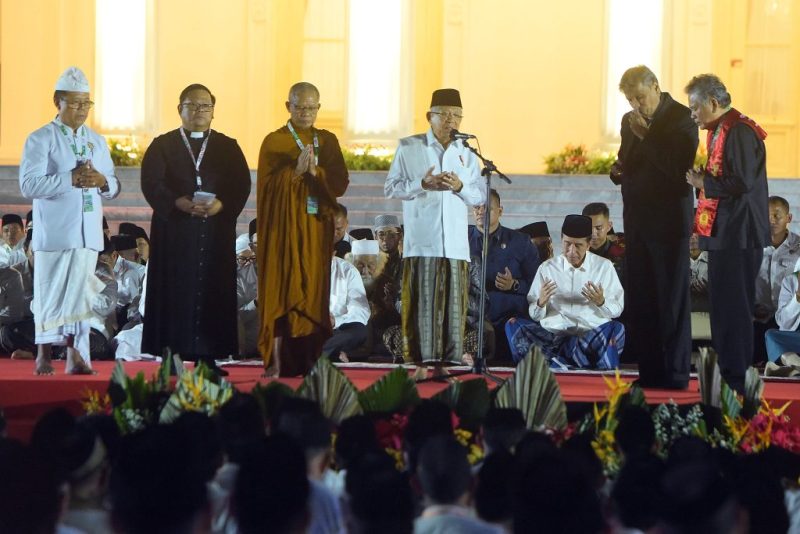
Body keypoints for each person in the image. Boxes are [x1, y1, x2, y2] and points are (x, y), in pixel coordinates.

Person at [141, 83, 251, 375]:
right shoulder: (162, 145)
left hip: (214, 232)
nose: (200, 111)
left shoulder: (227, 146)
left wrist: (222, 205)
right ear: (180, 109)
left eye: (206, 106)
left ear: (213, 111)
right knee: (172, 292)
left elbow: (240, 184)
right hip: (175, 232)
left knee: (212, 291)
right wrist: (176, 202)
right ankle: (170, 358)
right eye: (193, 105)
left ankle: (208, 358)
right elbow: (152, 182)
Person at [19, 66, 120, 375]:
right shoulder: (41, 139)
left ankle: (77, 356)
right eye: (75, 102)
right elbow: (29, 185)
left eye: (86, 103)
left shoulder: (96, 141)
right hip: (56, 232)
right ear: (57, 102)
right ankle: (44, 355)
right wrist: (70, 178)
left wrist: (102, 180)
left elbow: (114, 186)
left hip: (88, 232)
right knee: (50, 293)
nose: (81, 109)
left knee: (80, 295)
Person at [385, 88, 483, 375]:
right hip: (422, 243)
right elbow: (391, 187)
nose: (452, 121)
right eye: (446, 115)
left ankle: (443, 367)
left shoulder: (466, 151)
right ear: (430, 116)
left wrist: (460, 188)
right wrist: (422, 184)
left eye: (457, 116)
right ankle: (418, 365)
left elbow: (478, 196)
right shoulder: (410, 146)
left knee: (452, 312)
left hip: (454, 245)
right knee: (421, 309)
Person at [611, 65, 698, 389]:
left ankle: (675, 375)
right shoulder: (628, 121)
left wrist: (646, 136)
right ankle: (649, 373)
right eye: (631, 100)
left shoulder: (682, 118)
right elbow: (627, 161)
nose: (636, 106)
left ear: (656, 88)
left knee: (671, 300)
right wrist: (618, 170)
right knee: (643, 299)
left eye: (641, 98)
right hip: (637, 221)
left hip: (669, 224)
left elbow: (678, 171)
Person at [256, 82, 349, 377]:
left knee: (312, 291)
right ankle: (279, 361)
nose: (306, 113)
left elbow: (339, 183)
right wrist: (294, 172)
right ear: (288, 107)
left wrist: (315, 173)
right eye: (300, 107)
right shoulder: (274, 142)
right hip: (282, 232)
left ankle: (310, 360)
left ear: (318, 108)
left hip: (314, 230)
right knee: (284, 290)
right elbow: (266, 189)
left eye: (312, 108)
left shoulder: (328, 141)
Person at [685, 73, 769, 393]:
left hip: (740, 234)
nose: (692, 114)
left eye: (695, 107)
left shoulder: (741, 131)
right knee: (722, 308)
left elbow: (743, 182)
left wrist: (702, 182)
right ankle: (724, 373)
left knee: (734, 310)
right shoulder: (721, 129)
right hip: (725, 235)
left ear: (713, 102)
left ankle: (736, 380)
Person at [506, 215, 625, 369]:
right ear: (561, 239)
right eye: (567, 244)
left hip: (587, 337)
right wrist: (541, 303)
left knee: (616, 329)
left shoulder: (604, 267)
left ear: (588, 244)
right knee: (513, 325)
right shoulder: (547, 268)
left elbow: (617, 310)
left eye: (578, 245)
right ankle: (574, 362)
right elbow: (535, 315)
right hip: (553, 338)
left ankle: (555, 363)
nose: (571, 251)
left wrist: (601, 302)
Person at [469, 188, 540, 362]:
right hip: (471, 321)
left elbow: (538, 283)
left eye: (486, 208)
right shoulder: (462, 239)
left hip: (509, 320)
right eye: (476, 207)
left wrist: (514, 284)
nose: (480, 212)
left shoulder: (520, 241)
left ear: (500, 211)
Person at [753, 196, 800, 363]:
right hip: (758, 317)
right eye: (767, 216)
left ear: (789, 218)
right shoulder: (752, 247)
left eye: (777, 215)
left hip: (790, 317)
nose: (772, 220)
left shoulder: (798, 248)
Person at [323, 240, 370, 362]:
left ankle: (320, 352)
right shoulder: (300, 270)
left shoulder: (348, 271)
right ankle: (333, 353)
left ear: (333, 253)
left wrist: (335, 321)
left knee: (359, 330)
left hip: (339, 329)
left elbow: (361, 311)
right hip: (309, 328)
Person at [581, 202, 625, 283]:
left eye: (598, 228)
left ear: (609, 226)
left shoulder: (624, 251)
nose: (593, 233)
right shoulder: (575, 252)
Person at [236, 233, 259, 357]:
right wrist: (256, 303)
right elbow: (237, 318)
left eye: (252, 259)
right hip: (248, 345)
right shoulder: (236, 278)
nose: (247, 264)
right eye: (243, 259)